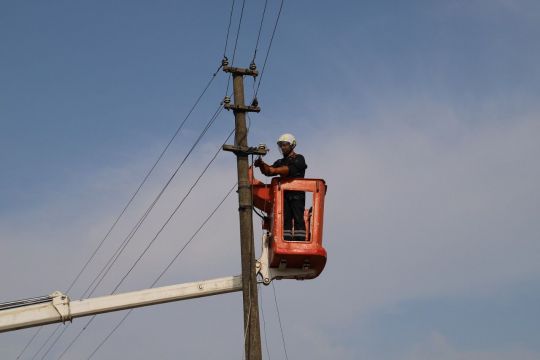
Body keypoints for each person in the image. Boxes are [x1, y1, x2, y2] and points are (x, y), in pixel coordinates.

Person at [254, 133, 308, 241]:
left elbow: (288, 170)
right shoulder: (280, 162)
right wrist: (261, 164)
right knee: (286, 220)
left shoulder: (299, 158)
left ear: (292, 145)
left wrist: (273, 170)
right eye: (281, 145)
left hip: (297, 195)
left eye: (285, 145)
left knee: (298, 219)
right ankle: (286, 241)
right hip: (284, 195)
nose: (282, 147)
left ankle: (300, 242)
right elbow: (268, 171)